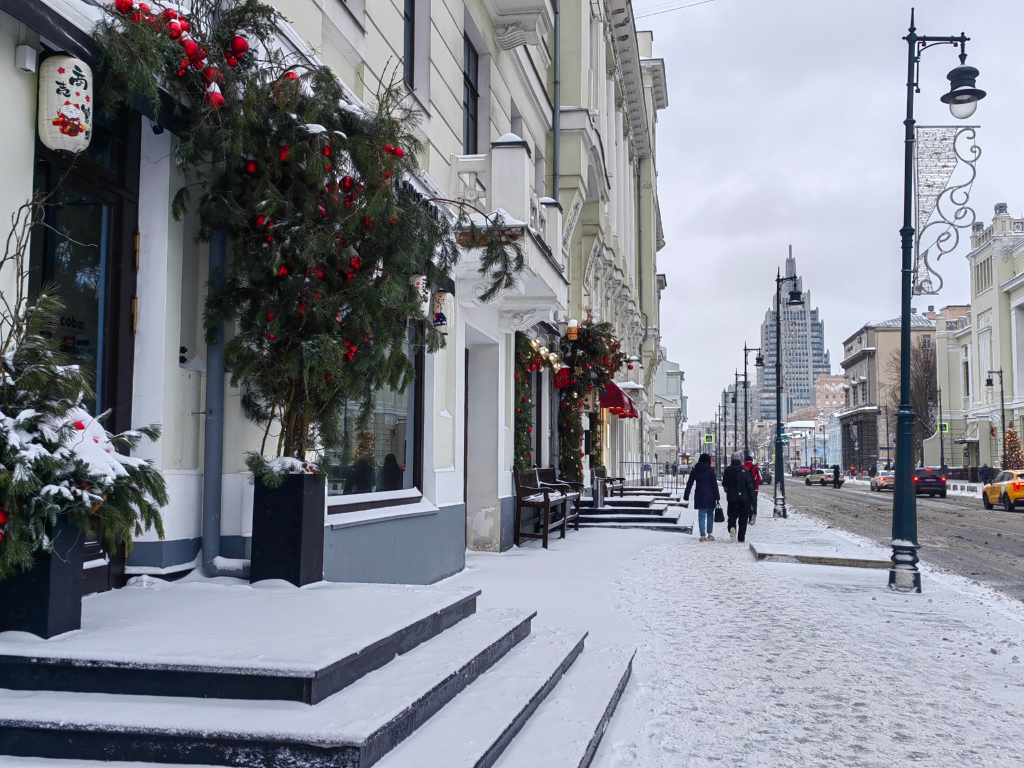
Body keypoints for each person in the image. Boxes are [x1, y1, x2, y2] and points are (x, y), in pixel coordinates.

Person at [683, 453, 720, 542]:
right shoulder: (711, 470)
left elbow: (690, 483)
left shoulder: (695, 470)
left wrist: (686, 494)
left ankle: (702, 535)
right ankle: (709, 534)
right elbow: (714, 484)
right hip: (710, 494)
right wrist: (717, 497)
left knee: (701, 514)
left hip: (700, 494)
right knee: (710, 514)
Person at [722, 451, 756, 543]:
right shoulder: (745, 471)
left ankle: (732, 527)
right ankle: (741, 537)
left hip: (732, 498)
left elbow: (724, 483)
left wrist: (727, 489)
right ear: (740, 460)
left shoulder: (728, 470)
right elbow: (750, 486)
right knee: (743, 518)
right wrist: (753, 500)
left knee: (732, 515)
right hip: (744, 499)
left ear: (732, 459)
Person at [743, 453, 762, 521]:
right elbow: (760, 478)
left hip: (745, 489)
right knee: (753, 502)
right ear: (751, 460)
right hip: (754, 488)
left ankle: (747, 515)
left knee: (746, 502)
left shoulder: (743, 467)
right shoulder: (756, 468)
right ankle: (753, 514)